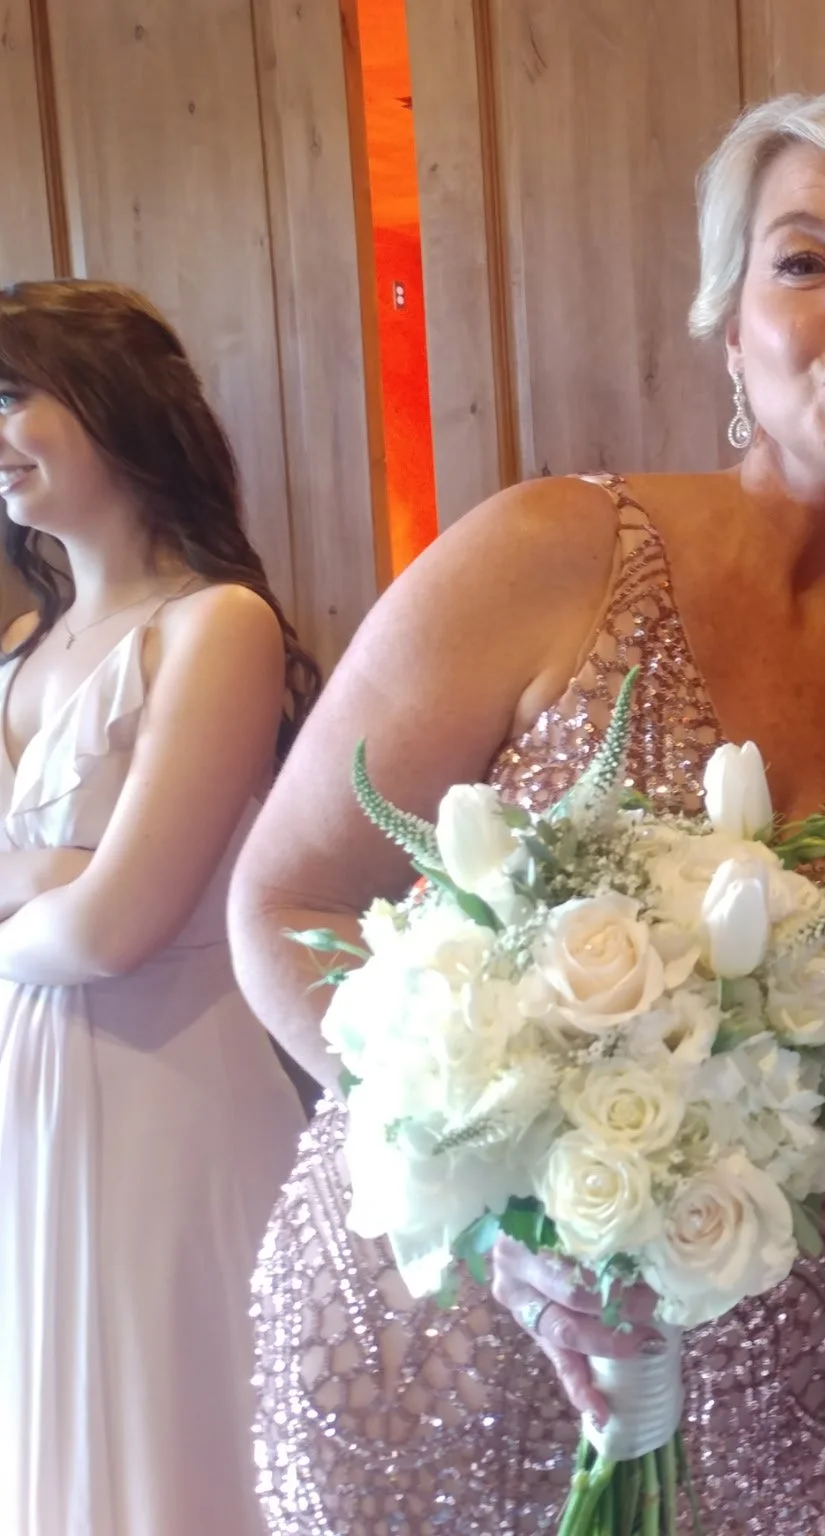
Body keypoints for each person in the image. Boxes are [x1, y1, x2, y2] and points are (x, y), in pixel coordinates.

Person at [232, 87, 825, 1535]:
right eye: (803, 261)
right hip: (450, 1323)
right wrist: (499, 1189)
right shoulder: (556, 550)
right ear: (733, 326)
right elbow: (288, 896)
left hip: (775, 1373)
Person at [0, 279, 319, 1536]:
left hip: (167, 1089)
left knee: (173, 1426)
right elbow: (71, 903)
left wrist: (49, 891)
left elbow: (119, 927)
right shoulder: (24, 649)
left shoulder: (214, 627)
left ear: (112, 401)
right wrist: (59, 882)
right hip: (26, 1087)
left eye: (14, 395)